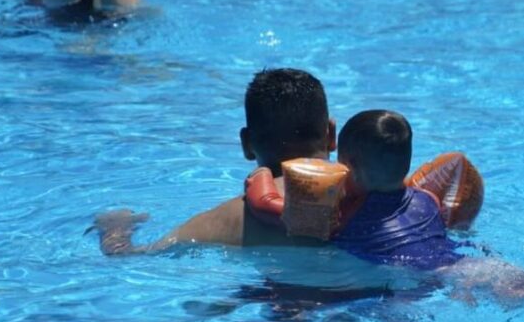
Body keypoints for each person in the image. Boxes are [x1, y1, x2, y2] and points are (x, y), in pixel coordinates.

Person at [94, 68, 337, 254]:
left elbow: (126, 257)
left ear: (246, 144)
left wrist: (115, 228)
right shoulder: (358, 193)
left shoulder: (225, 220)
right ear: (332, 134)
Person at [334, 110, 465, 270]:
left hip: (412, 273)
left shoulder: (345, 214)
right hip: (456, 264)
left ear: (351, 167)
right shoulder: (430, 199)